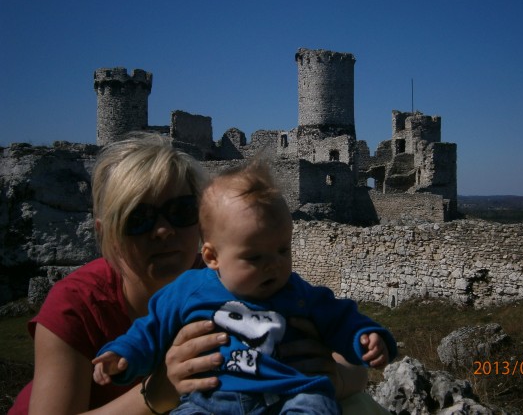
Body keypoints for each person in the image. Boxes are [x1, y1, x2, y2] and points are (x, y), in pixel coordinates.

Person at [8, 133, 388, 415]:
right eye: (138, 219)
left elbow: (351, 368)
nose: (163, 231)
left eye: (181, 211)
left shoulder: (233, 275)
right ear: (105, 232)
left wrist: (330, 376)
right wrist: (158, 392)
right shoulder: (76, 306)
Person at [93, 160, 397, 414]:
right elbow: (150, 329)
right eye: (254, 257)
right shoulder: (189, 290)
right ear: (212, 257)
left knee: (316, 405)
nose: (274, 265)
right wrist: (124, 356)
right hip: (211, 400)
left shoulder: (299, 292)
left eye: (283, 250)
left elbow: (341, 317)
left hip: (290, 394)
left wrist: (365, 338)